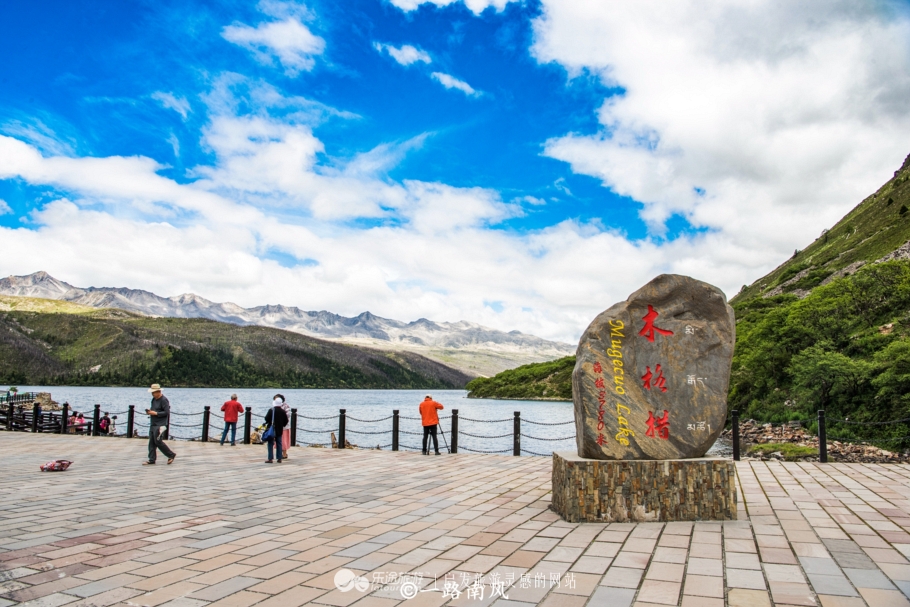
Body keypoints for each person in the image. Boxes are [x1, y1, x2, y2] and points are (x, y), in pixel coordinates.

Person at [144, 384, 176, 465]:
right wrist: (150, 412)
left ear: (159, 391)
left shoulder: (164, 400)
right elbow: (153, 409)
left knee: (158, 441)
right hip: (153, 423)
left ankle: (171, 454)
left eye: (154, 392)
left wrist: (155, 413)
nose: (152, 394)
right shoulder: (153, 400)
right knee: (151, 442)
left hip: (160, 424)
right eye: (152, 392)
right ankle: (151, 459)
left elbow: (166, 412)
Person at [263, 394, 288, 464]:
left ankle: (270, 458)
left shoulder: (271, 410)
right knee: (279, 443)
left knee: (270, 443)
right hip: (279, 429)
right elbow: (286, 421)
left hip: (271, 429)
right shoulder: (283, 412)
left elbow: (266, 418)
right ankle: (279, 458)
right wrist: (281, 424)